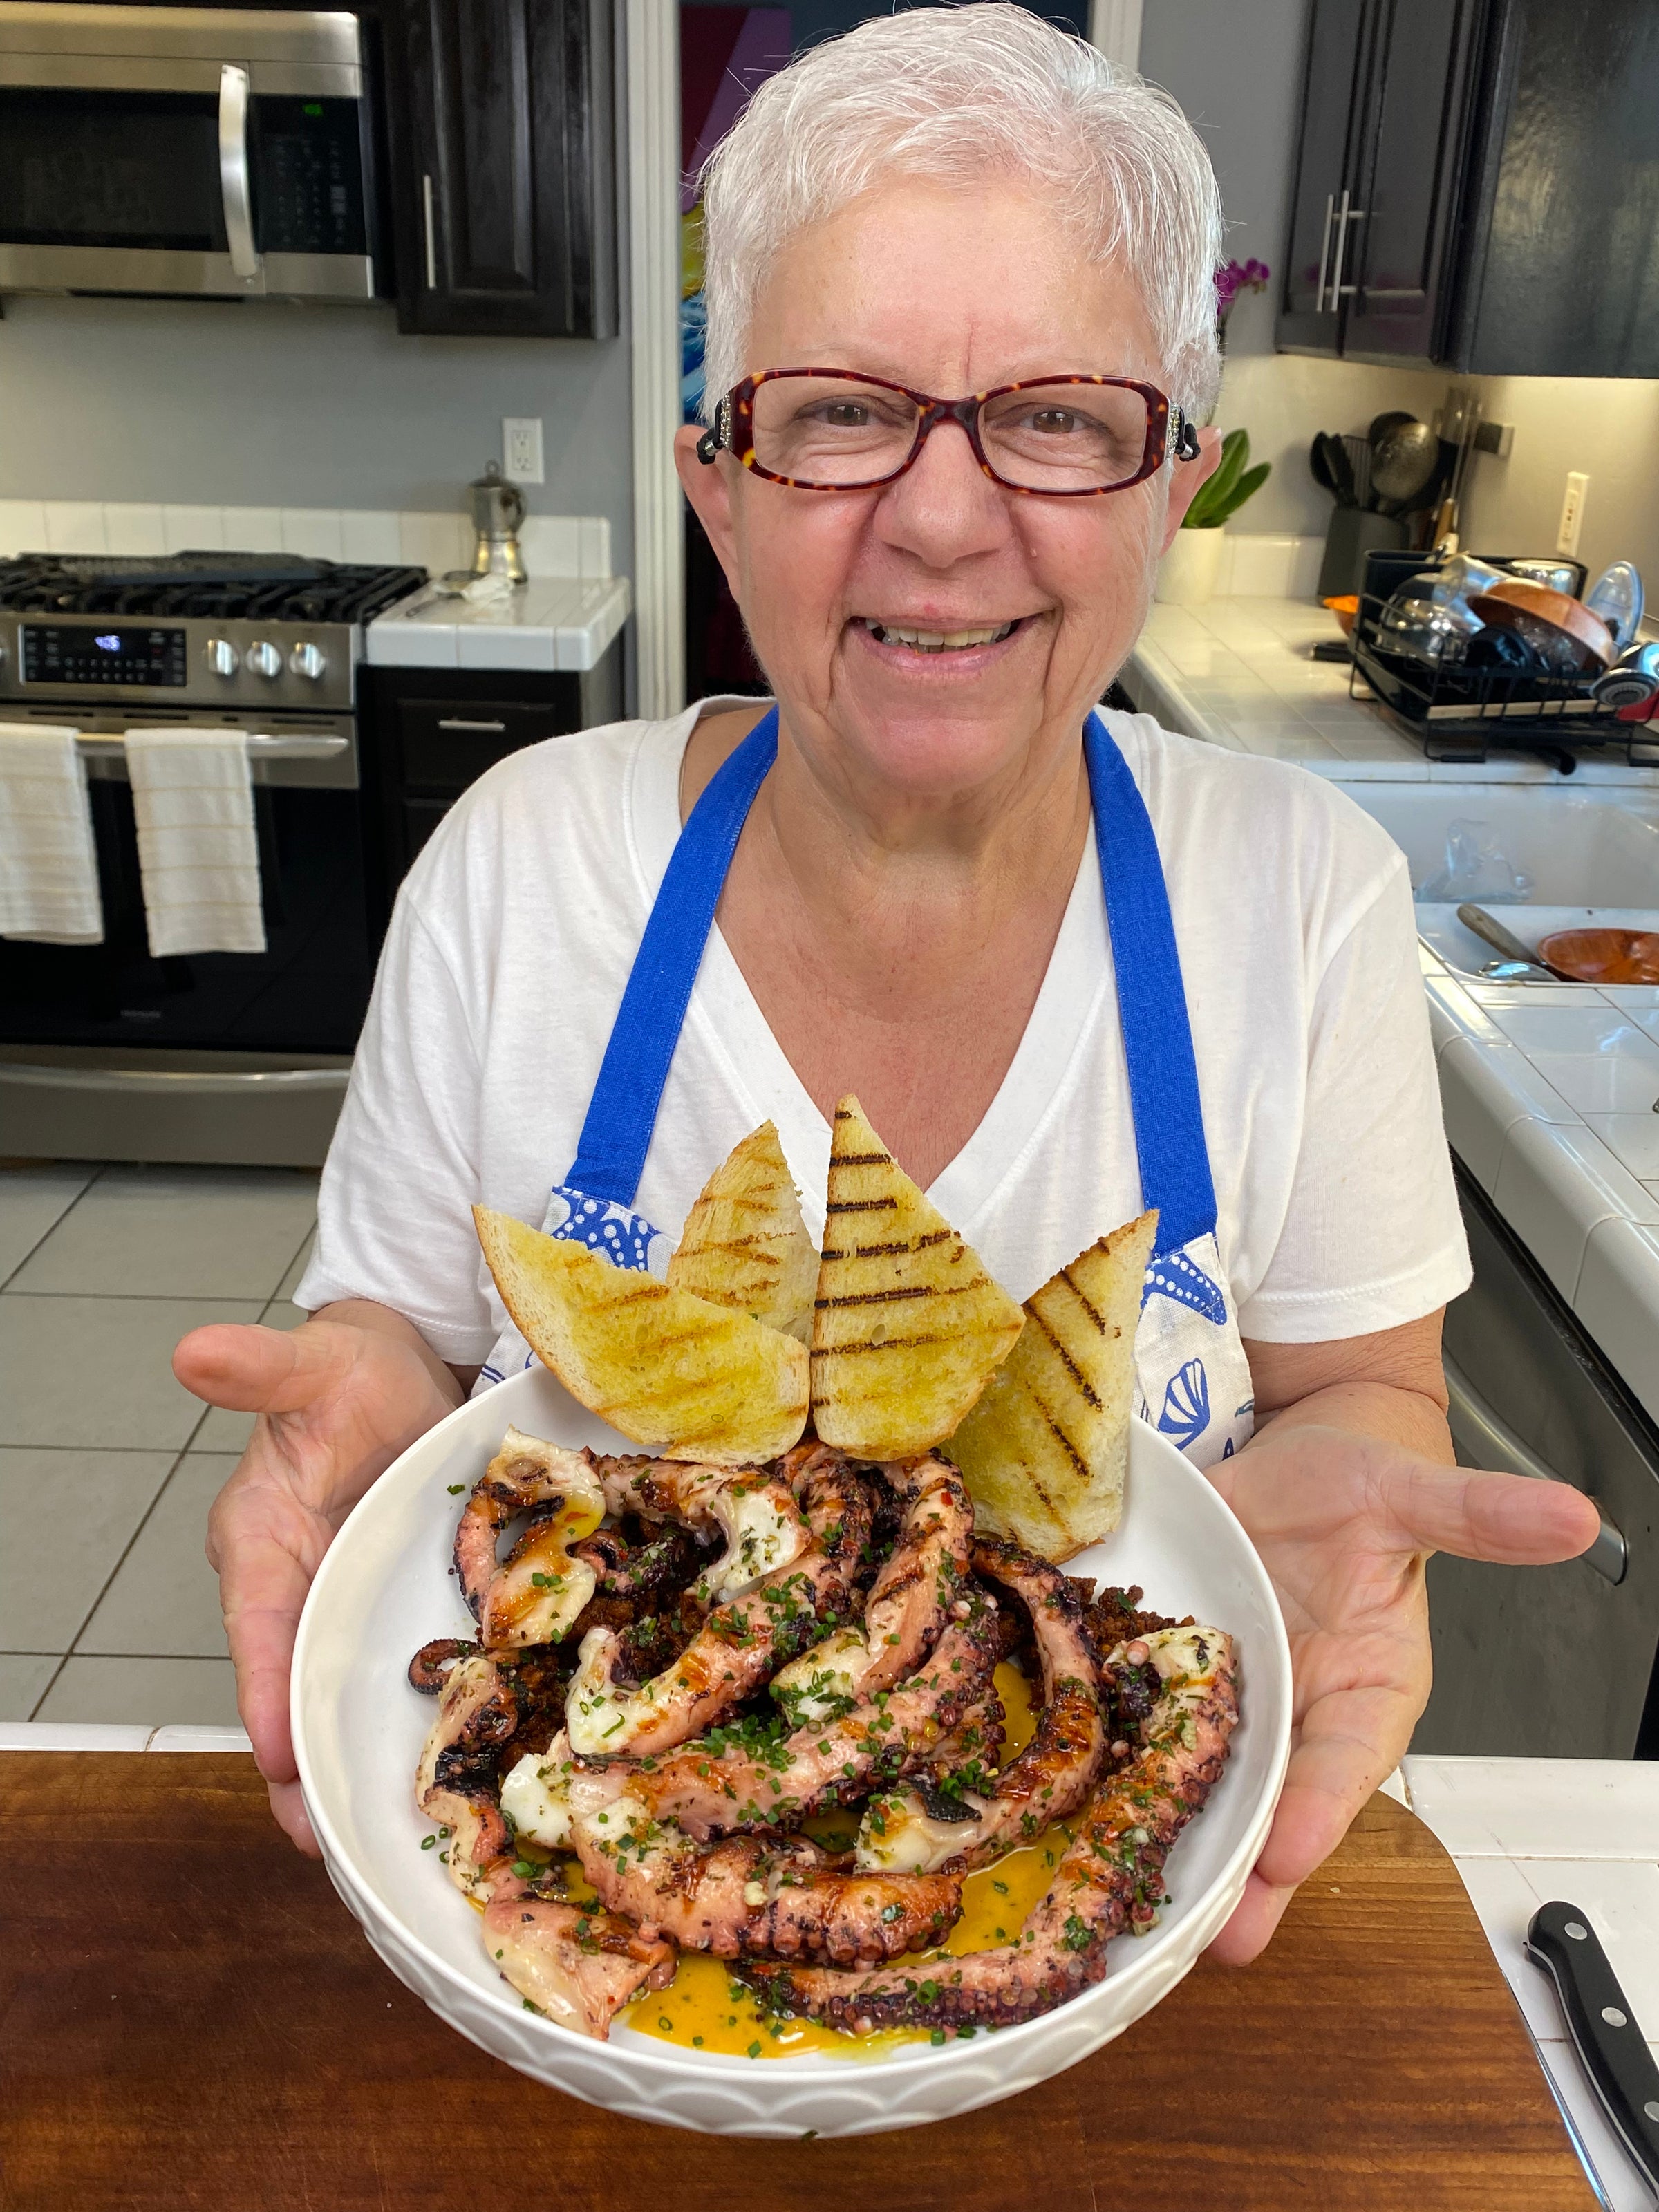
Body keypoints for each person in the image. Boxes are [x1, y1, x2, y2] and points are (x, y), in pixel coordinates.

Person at [174, 4, 1596, 1963]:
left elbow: (1361, 1390)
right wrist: (358, 1385)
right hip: (588, 1933)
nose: (941, 518)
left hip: (1119, 1944)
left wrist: (1357, 1493)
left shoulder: (1302, 898)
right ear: (718, 479)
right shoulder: (522, 866)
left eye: (1060, 415)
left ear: (1173, 483)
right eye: (842, 409)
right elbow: (404, 1371)